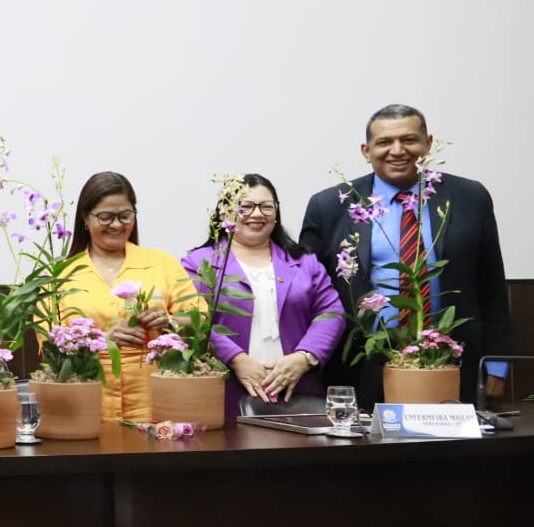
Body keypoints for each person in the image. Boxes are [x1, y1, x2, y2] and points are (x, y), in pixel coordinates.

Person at [300, 104, 509, 406]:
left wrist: (498, 364)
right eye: (384, 142)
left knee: (451, 453)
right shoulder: (330, 205)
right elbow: (312, 291)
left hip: (452, 359)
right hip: (361, 363)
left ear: (428, 143)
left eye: (409, 140)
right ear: (366, 150)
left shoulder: (469, 197)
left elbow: (491, 284)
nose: (397, 151)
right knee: (364, 453)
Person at [181, 174, 346, 419]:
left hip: (298, 391)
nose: (257, 214)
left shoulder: (304, 262)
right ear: (224, 212)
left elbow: (331, 313)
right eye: (245, 206)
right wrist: (235, 358)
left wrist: (304, 357)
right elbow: (191, 320)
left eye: (266, 206)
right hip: (225, 389)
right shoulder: (199, 263)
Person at [59, 172, 198, 423]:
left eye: (125, 216)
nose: (116, 225)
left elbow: (200, 322)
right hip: (86, 404)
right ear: (85, 218)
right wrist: (102, 341)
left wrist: (169, 321)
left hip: (157, 403)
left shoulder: (162, 263)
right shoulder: (61, 275)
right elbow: (48, 345)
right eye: (105, 217)